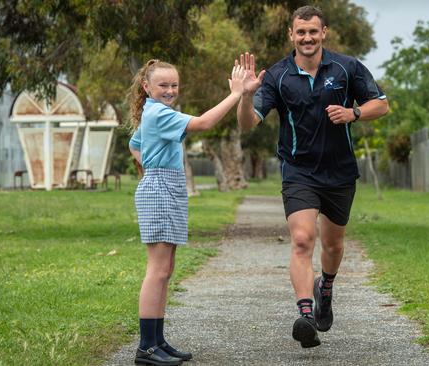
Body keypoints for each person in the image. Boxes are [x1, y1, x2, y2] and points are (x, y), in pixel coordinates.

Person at [236, 6, 389, 348]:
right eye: (300, 32)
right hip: (298, 171)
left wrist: (354, 113)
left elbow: (382, 104)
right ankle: (305, 315)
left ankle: (326, 288)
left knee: (333, 246)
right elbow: (248, 123)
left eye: (313, 32)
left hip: (340, 172)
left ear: (324, 33)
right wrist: (245, 96)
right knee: (303, 240)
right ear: (291, 35)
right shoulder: (277, 75)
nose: (307, 38)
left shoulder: (347, 67)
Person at [127, 59, 246, 365]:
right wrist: (235, 94)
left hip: (167, 186)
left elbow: (134, 144)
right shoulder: (157, 112)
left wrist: (147, 165)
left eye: (174, 85)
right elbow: (205, 123)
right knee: (157, 270)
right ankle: (146, 348)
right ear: (147, 87)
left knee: (166, 270)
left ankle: (158, 341)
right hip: (160, 189)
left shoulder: (156, 113)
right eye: (162, 85)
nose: (169, 91)